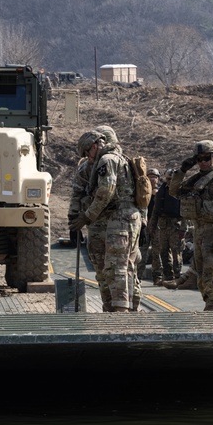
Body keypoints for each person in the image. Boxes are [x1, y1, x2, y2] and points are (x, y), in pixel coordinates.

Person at [68, 129, 142, 312]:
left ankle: (121, 312)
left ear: (94, 146)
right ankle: (113, 308)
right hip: (106, 221)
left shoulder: (108, 160)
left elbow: (106, 191)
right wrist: (75, 217)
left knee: (117, 267)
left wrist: (86, 216)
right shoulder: (93, 165)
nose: (87, 157)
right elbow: (78, 191)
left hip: (120, 219)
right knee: (105, 267)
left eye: (87, 153)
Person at [169, 140, 213, 311]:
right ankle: (210, 307)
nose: (203, 162)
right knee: (203, 277)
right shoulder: (197, 180)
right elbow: (175, 191)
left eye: (206, 158)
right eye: (199, 159)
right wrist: (182, 170)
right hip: (199, 232)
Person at [151, 167, 184, 286]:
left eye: (172, 179)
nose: (170, 181)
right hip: (163, 225)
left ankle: (178, 276)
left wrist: (183, 229)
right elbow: (156, 209)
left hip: (176, 225)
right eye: (168, 179)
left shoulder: (181, 191)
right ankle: (168, 276)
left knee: (176, 252)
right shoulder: (162, 191)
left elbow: (186, 211)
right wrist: (152, 226)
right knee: (164, 251)